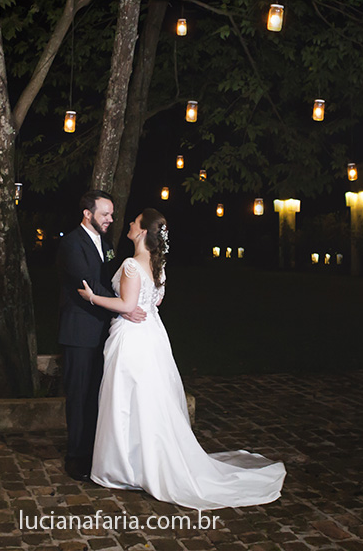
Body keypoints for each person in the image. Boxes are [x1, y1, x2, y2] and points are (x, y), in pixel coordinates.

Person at [77, 208, 286, 510]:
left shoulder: (132, 265)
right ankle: (136, 461)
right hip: (152, 334)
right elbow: (153, 301)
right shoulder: (158, 267)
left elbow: (127, 303)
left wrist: (93, 298)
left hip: (133, 338)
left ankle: (125, 467)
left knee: (126, 397)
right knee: (146, 398)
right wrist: (133, 306)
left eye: (134, 223)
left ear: (143, 231)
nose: (130, 225)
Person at [55, 190, 146, 482]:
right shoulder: (71, 244)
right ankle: (76, 456)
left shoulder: (105, 243)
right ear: (87, 213)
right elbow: (88, 284)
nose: (110, 219)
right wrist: (124, 308)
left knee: (98, 392)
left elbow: (109, 279)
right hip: (79, 332)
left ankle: (96, 450)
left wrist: (125, 303)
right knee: (79, 395)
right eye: (105, 214)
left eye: (111, 214)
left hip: (103, 331)